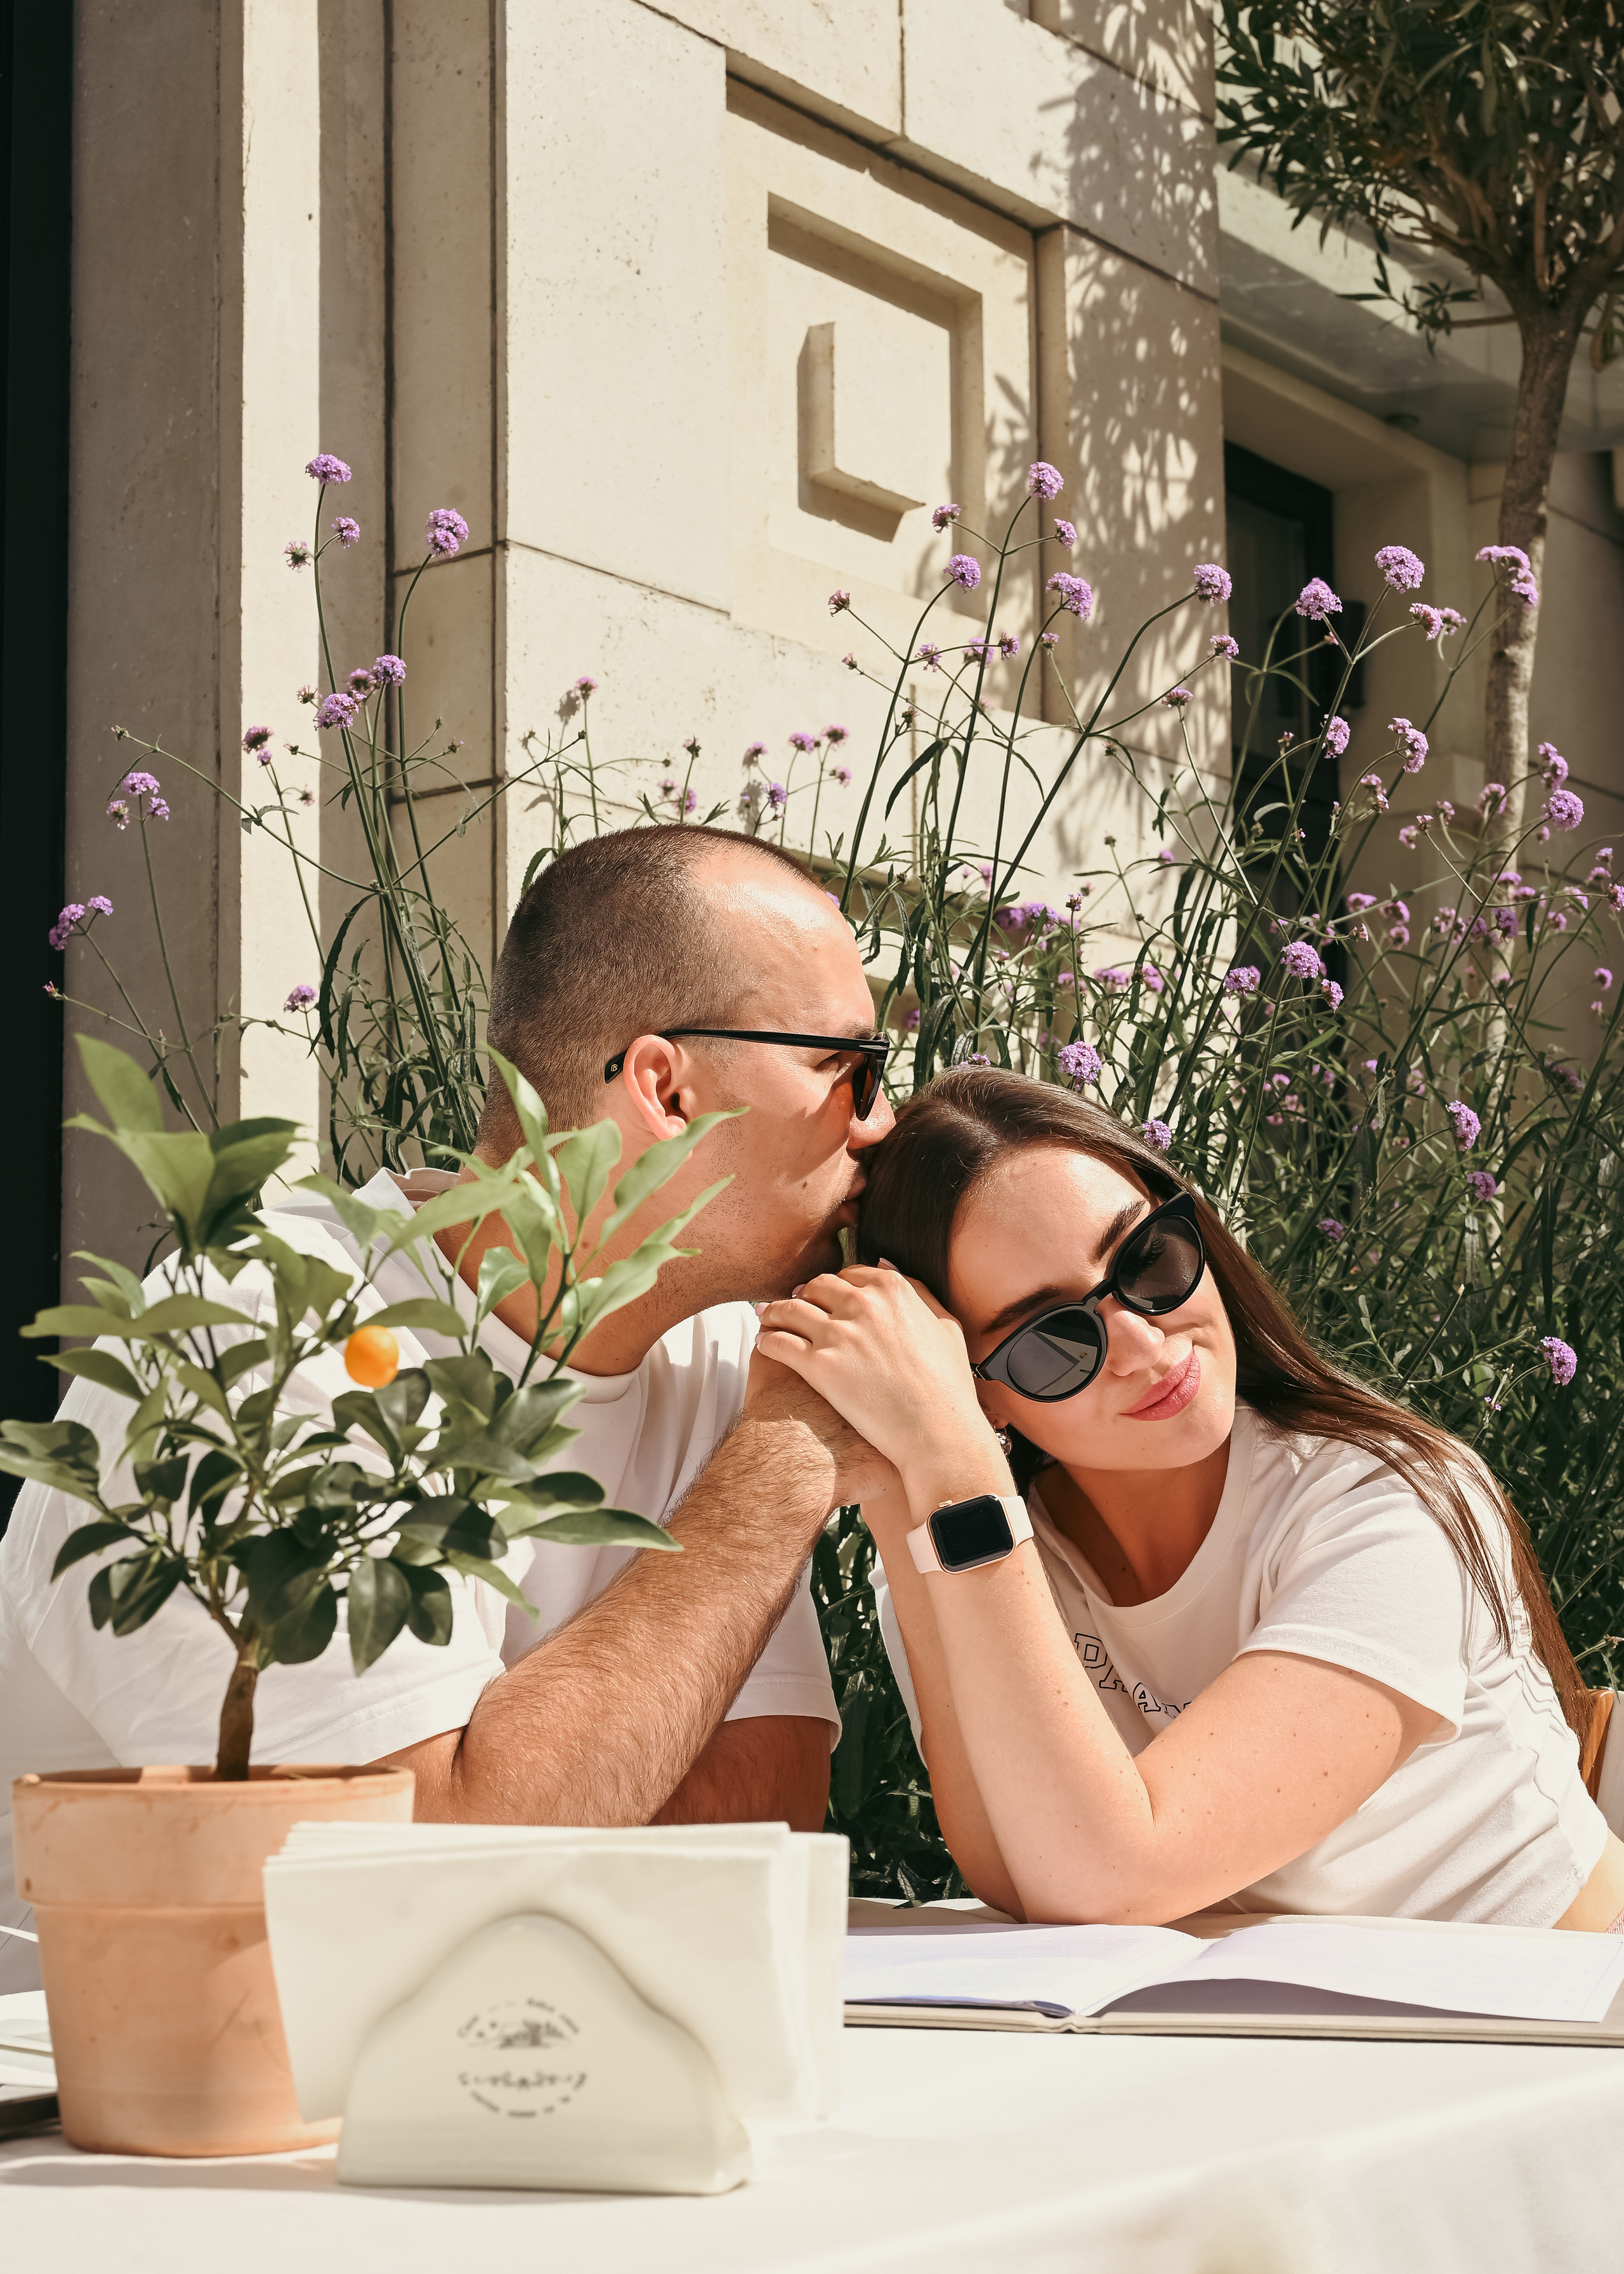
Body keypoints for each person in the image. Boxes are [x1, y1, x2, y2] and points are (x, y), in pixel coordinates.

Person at [0, 825, 896, 1987]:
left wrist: (517, 1785)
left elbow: (763, 1824)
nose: (879, 1122)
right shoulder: (265, 1332)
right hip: (107, 2076)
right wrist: (782, 1467)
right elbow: (416, 1883)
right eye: (847, 1067)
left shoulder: (721, 1349)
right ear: (665, 1088)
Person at [755, 1065, 1624, 1931]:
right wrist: (899, 1483)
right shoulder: (978, 1546)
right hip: (1271, 2011)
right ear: (974, 1389)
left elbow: (1111, 1878)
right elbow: (1014, 1872)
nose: (1142, 1345)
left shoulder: (1385, 1504)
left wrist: (953, 1464)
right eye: (1052, 1340)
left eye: (1149, 1259)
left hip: (1549, 1999)